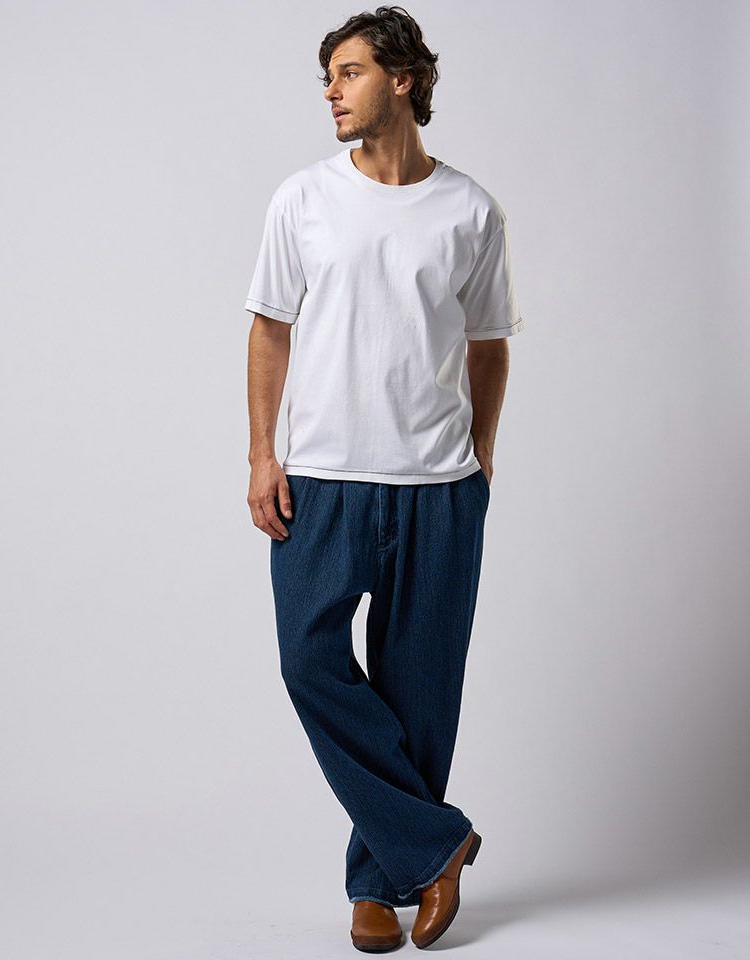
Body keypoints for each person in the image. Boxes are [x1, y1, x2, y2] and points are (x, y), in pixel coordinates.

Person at [244, 6, 524, 951]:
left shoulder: (471, 210)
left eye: (349, 73)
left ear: (402, 80)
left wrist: (481, 454)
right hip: (322, 481)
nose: (330, 91)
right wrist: (261, 454)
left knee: (420, 692)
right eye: (328, 76)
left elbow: (489, 344)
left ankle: (379, 883)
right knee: (309, 661)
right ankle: (437, 846)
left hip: (439, 487)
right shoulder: (302, 199)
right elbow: (270, 329)